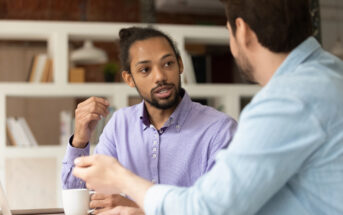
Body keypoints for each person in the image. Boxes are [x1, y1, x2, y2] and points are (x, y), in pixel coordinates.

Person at [72, 0, 343, 214]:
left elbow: (208, 208)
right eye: (145, 69)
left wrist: (122, 179)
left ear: (243, 31)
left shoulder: (288, 101)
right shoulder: (328, 75)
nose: (159, 76)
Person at [62, 27, 237, 213]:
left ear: (180, 64)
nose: (160, 76)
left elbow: (221, 209)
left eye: (168, 64)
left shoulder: (220, 129)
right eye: (145, 69)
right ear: (129, 79)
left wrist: (139, 208)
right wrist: (80, 139)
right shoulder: (119, 125)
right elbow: (82, 202)